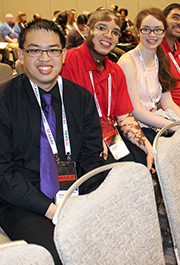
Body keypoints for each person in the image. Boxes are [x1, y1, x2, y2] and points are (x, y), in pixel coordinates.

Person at [0, 19, 105, 265]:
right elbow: (0, 175)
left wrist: (88, 202)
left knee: (108, 233)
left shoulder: (81, 98)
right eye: (35, 50)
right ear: (21, 54)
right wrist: (54, 211)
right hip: (18, 199)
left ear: (63, 54)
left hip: (73, 191)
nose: (44, 58)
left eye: (52, 50)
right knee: (59, 252)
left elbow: (90, 158)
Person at [61, 9, 154, 169]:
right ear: (85, 30)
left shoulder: (115, 71)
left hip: (111, 136)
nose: (108, 35)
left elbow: (124, 117)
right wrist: (92, 138)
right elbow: (61, 113)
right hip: (79, 140)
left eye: (115, 32)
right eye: (101, 28)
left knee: (143, 165)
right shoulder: (67, 62)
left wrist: (147, 146)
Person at [117, 8, 180, 143]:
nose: (152, 35)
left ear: (164, 33)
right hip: (137, 128)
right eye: (146, 29)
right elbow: (136, 111)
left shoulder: (161, 59)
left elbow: (167, 102)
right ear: (137, 31)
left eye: (158, 30)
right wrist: (173, 126)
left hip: (156, 121)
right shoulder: (127, 62)